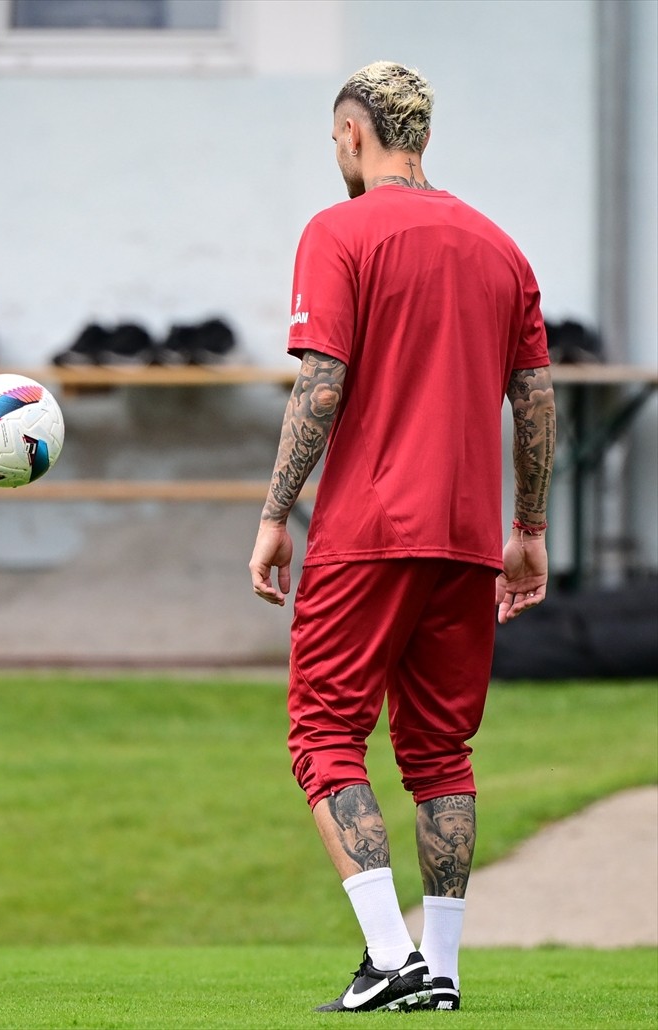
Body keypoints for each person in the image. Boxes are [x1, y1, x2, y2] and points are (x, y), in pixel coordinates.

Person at [248, 62, 555, 1013]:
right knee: (440, 752)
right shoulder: (499, 247)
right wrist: (530, 528)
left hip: (369, 530)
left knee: (325, 735)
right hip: (466, 539)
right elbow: (537, 401)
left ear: (351, 133)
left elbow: (321, 385)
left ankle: (390, 957)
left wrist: (272, 514)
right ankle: (444, 970)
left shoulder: (337, 231)